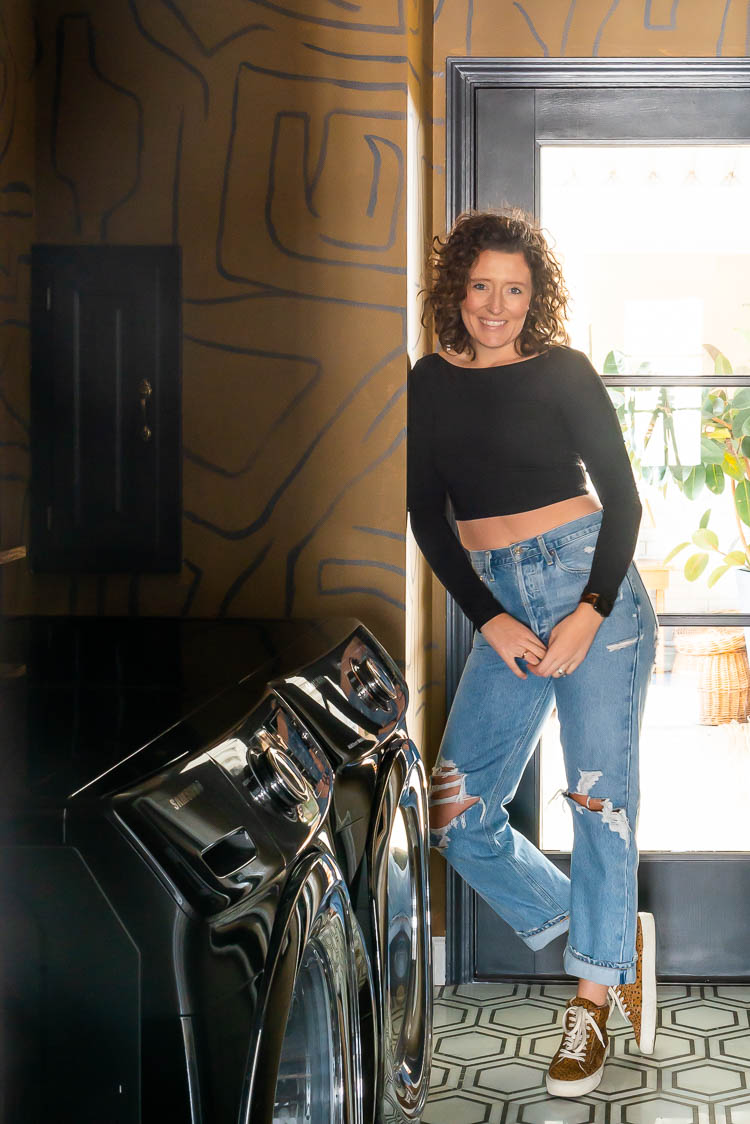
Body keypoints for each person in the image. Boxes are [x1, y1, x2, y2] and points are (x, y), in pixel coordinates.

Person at [407, 210, 658, 1098]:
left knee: (599, 801)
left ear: (534, 296)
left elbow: (624, 504)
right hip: (502, 599)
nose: (496, 305)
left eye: (514, 289)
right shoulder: (430, 381)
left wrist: (589, 612)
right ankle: (601, 931)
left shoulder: (564, 372)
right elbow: (426, 517)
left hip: (593, 588)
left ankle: (588, 1006)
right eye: (482, 286)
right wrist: (489, 617)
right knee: (449, 805)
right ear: (457, 289)